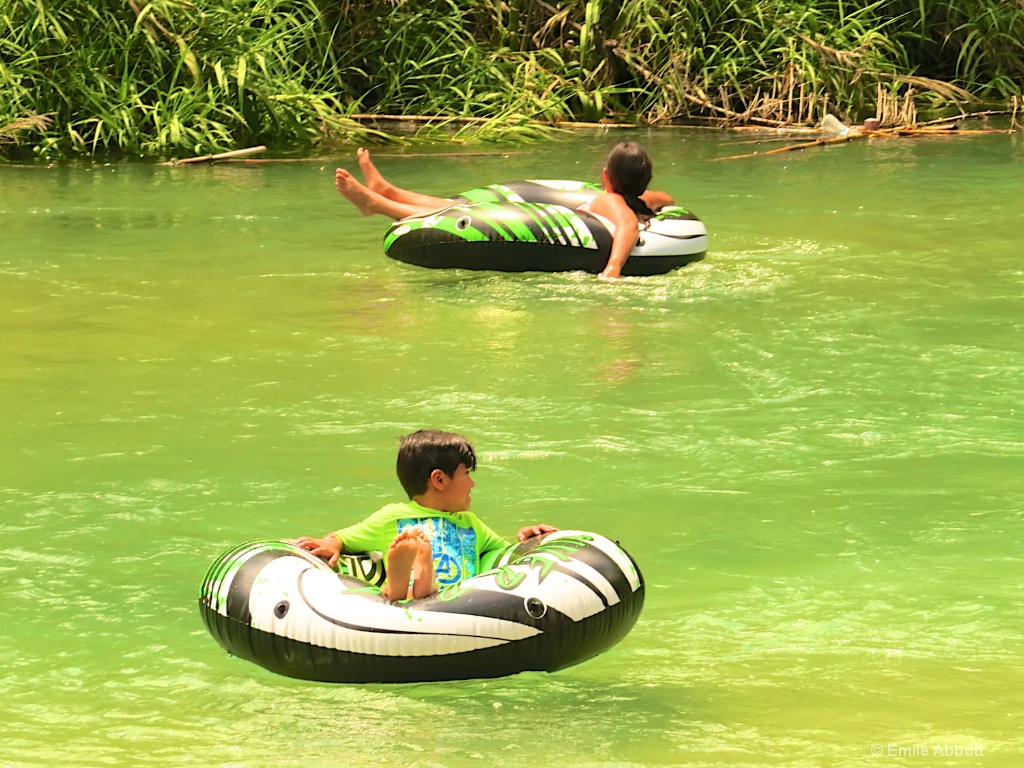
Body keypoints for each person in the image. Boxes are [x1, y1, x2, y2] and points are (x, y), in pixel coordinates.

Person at [333, 142, 673, 279]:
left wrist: (612, 271)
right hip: (575, 217)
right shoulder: (651, 197)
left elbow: (627, 224)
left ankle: (378, 204)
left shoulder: (609, 201)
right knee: (464, 206)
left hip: (588, 239)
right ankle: (387, 191)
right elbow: (664, 203)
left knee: (468, 212)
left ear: (604, 177)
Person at [293, 430, 557, 601]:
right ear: (439, 479)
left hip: (450, 607)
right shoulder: (397, 517)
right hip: (441, 606)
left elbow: (508, 555)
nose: (472, 485)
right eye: (467, 474)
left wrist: (528, 538)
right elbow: (343, 538)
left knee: (424, 592)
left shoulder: (400, 518)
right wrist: (330, 543)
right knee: (417, 594)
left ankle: (415, 577)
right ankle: (408, 580)